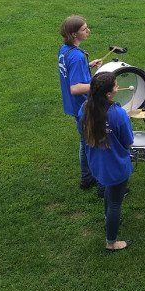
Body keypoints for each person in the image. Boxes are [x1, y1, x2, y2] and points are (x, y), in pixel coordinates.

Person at [80, 72, 134, 252]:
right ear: (108, 93)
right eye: (116, 85)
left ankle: (107, 217)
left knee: (109, 193)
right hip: (116, 166)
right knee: (115, 203)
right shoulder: (118, 114)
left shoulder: (85, 107)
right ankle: (111, 242)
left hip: (97, 163)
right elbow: (128, 142)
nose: (118, 88)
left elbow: (83, 132)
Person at [57, 15, 104, 190]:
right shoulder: (76, 57)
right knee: (93, 144)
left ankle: (86, 178)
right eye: (84, 29)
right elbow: (75, 88)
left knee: (85, 141)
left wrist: (87, 65)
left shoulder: (65, 49)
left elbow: (71, 70)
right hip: (83, 106)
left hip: (74, 105)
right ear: (73, 34)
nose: (88, 31)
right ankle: (97, 182)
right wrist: (100, 84)